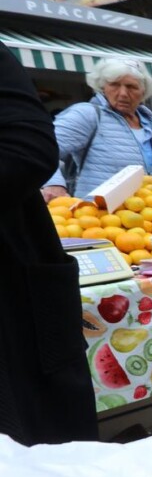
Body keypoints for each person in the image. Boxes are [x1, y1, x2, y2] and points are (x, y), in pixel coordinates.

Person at [0, 42, 96, 445]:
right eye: (121, 85)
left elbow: (31, 147)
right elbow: (55, 150)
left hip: (12, 280)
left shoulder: (146, 121)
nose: (128, 93)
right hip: (89, 207)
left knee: (36, 452)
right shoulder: (86, 114)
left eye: (134, 86)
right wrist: (60, 188)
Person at [41, 58, 152, 200]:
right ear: (103, 87)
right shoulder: (87, 115)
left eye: (131, 87)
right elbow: (40, 148)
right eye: (114, 85)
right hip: (96, 217)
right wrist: (54, 183)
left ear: (143, 91)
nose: (123, 93)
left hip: (149, 217)